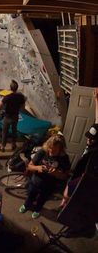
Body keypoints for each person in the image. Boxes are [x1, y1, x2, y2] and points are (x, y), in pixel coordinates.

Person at [59, 88, 98, 237]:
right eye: (89, 136)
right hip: (78, 175)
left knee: (74, 205)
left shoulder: (94, 154)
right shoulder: (91, 145)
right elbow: (97, 121)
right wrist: (96, 100)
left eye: (92, 139)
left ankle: (77, 228)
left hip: (85, 182)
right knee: (68, 195)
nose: (88, 140)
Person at [19, 134, 70, 219]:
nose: (50, 153)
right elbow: (29, 166)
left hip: (49, 186)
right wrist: (37, 168)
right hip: (35, 182)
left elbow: (65, 176)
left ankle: (37, 210)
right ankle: (26, 205)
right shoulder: (42, 151)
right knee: (30, 196)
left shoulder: (64, 158)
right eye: (49, 149)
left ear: (61, 149)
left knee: (42, 200)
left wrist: (56, 173)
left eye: (54, 150)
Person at [0, 80, 26, 151]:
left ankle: (2, 147)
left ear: (10, 88)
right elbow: (23, 108)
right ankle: (13, 145)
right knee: (14, 131)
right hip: (15, 116)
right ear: (17, 88)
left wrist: (2, 99)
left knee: (4, 132)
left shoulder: (7, 97)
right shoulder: (21, 97)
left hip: (7, 116)